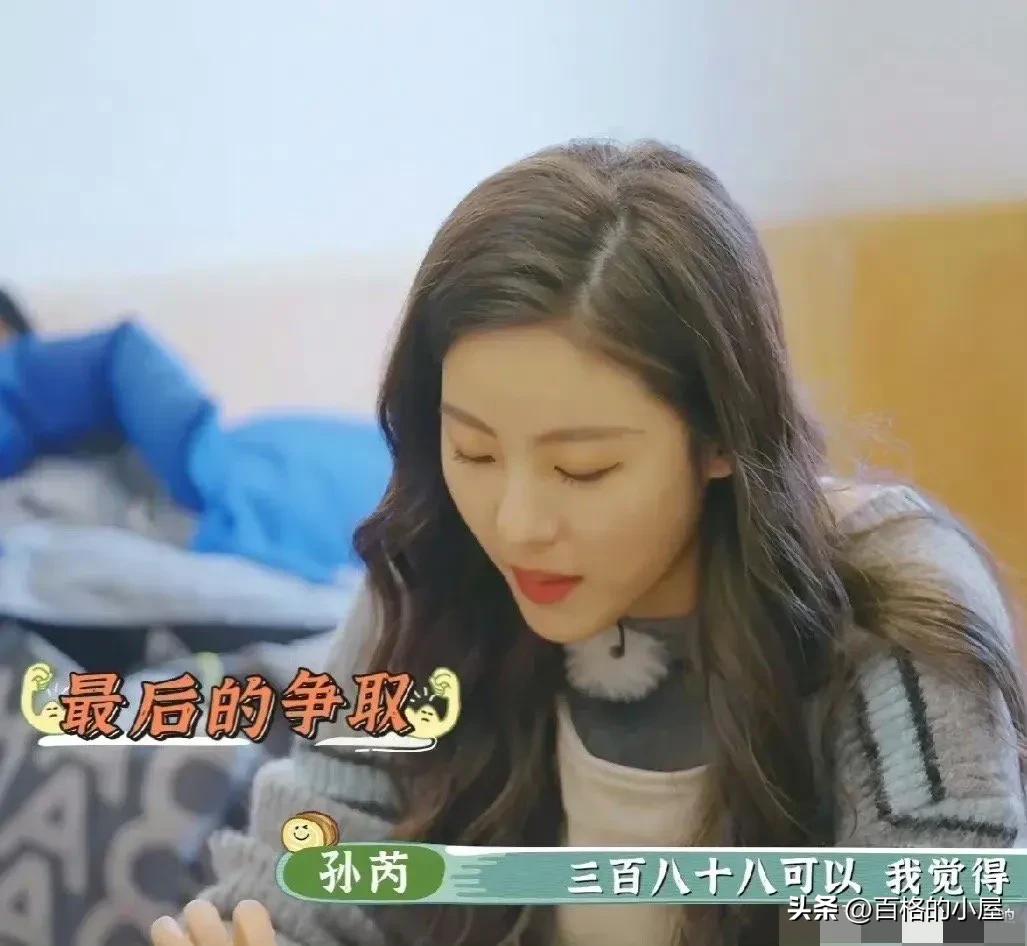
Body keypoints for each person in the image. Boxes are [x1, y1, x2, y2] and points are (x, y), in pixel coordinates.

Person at [149, 140, 1027, 946]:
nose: (515, 524)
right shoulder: (432, 572)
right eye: (474, 452)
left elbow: (939, 926)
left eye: (582, 469)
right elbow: (310, 869)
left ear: (723, 437)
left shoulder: (890, 604)